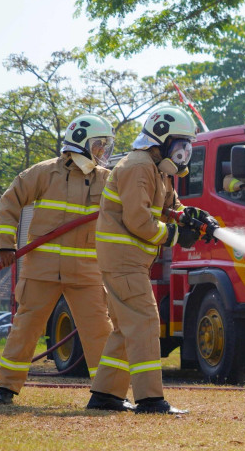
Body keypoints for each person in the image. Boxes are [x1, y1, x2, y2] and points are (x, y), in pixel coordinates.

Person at [86, 105, 217, 414]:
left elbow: (171, 206)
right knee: (145, 323)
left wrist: (196, 218)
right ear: (161, 139)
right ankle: (150, 399)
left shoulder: (156, 169)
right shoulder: (138, 166)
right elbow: (139, 220)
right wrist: (176, 236)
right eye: (180, 144)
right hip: (124, 260)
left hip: (129, 261)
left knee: (126, 329)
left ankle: (105, 394)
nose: (184, 151)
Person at [0, 114, 117, 406]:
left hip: (86, 272)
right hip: (41, 270)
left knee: (100, 331)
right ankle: (5, 389)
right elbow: (9, 203)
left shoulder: (107, 180)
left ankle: (107, 392)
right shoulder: (44, 173)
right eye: (98, 146)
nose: (102, 153)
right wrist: (4, 246)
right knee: (26, 328)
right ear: (83, 143)